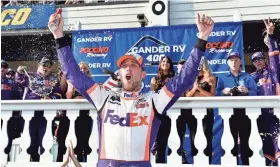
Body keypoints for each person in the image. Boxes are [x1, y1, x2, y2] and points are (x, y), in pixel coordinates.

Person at [49, 12, 214, 167]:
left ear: (143, 74)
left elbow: (184, 79)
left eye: (133, 65)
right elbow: (73, 74)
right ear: (119, 74)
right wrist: (58, 36)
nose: (128, 69)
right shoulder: (103, 96)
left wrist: (202, 38)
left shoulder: (154, 100)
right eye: (124, 66)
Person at [216, 52, 257, 165]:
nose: (234, 62)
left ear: (240, 62)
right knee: (230, 143)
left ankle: (246, 164)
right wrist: (224, 91)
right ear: (227, 62)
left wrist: (248, 91)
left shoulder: (247, 76)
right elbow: (216, 94)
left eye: (236, 60)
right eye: (231, 60)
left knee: (246, 142)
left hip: (246, 113)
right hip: (229, 114)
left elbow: (256, 93)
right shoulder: (222, 78)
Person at [251, 18, 280, 166]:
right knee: (265, 144)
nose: (258, 62)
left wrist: (271, 37)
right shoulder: (251, 78)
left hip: (276, 112)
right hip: (260, 115)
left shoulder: (273, 71)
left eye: (260, 59)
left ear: (264, 59)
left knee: (277, 142)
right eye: (255, 61)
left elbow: (274, 57)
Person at [150, 56, 175, 163]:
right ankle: (159, 163)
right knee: (158, 143)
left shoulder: (175, 78)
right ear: (160, 64)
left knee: (174, 142)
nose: (165, 63)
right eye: (163, 61)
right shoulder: (154, 79)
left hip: (172, 113)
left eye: (168, 62)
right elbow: (152, 96)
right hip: (158, 114)